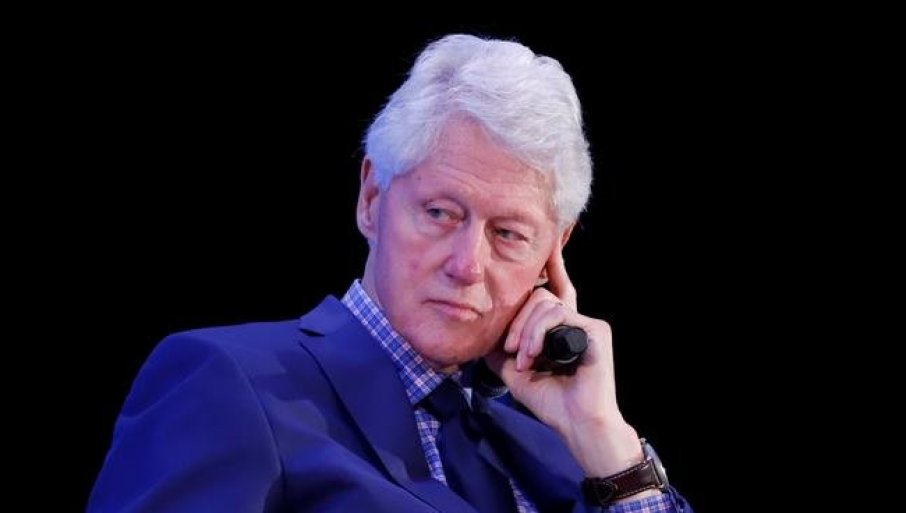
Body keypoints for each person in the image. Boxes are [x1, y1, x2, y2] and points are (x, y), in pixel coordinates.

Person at [88, 34, 693, 512]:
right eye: (439, 213)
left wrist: (605, 441)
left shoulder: (565, 450)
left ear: (551, 254)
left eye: (508, 234)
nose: (466, 265)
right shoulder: (231, 382)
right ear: (372, 199)